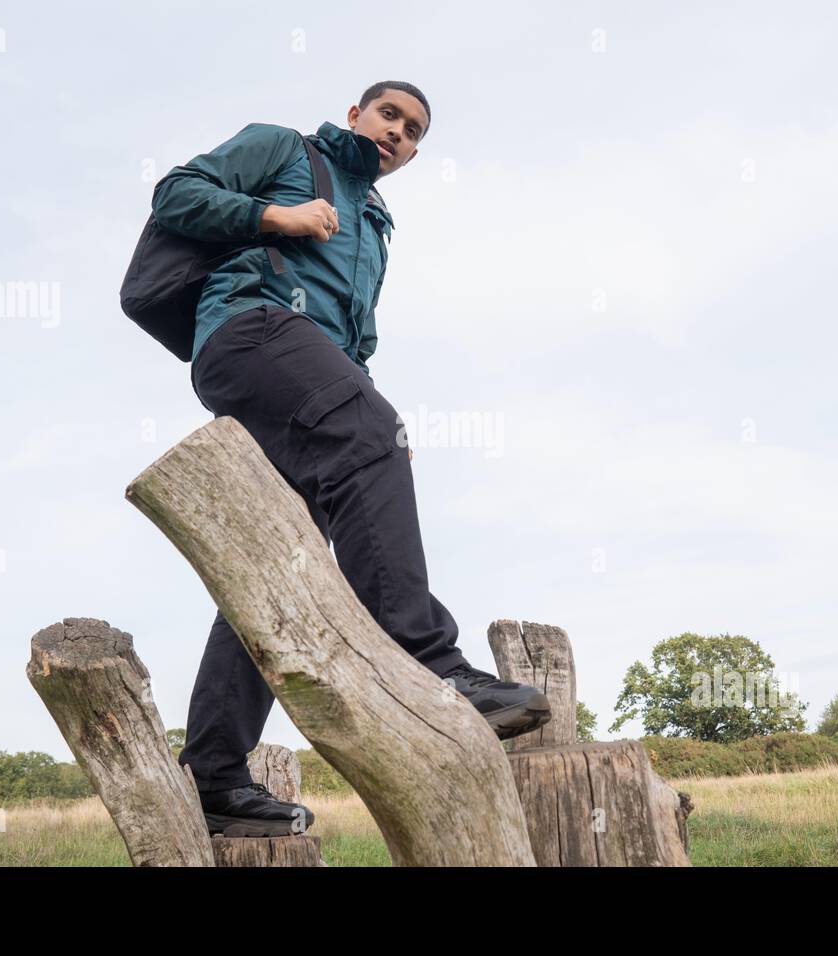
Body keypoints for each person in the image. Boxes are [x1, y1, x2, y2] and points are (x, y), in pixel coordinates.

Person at [152, 81, 552, 837]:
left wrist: (355, 390)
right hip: (249, 330)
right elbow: (176, 192)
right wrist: (274, 214)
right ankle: (433, 664)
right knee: (373, 434)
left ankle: (214, 777)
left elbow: (350, 338)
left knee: (279, 560)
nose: (398, 132)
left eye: (414, 131)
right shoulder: (284, 149)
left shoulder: (374, 222)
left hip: (306, 368)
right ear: (355, 115)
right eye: (389, 115)